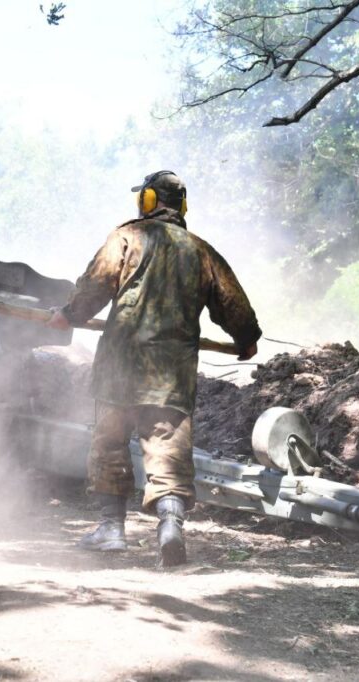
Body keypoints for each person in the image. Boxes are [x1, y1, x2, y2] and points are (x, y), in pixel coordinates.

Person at [47, 170, 262, 567]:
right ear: (181, 206)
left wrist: (68, 314)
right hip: (171, 370)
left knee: (110, 443)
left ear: (146, 201)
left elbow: (95, 286)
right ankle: (169, 528)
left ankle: (111, 530)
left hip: (120, 365)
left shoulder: (127, 237)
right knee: (167, 447)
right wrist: (246, 339)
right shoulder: (201, 251)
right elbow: (234, 304)